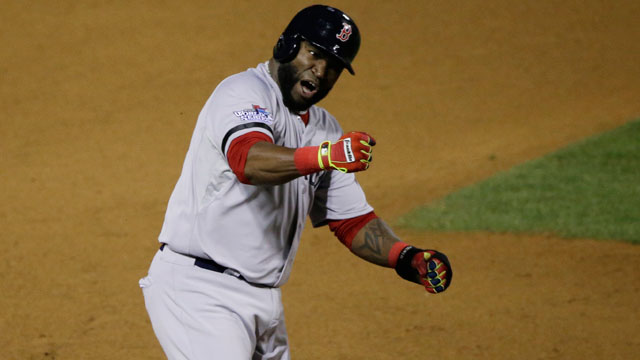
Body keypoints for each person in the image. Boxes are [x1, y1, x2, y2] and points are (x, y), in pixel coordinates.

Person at [139, 4, 452, 360]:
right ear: (287, 45)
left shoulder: (324, 128)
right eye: (315, 54)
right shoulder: (243, 92)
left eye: (334, 65)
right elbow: (248, 159)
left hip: (263, 301)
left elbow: (351, 221)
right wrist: (323, 157)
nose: (321, 71)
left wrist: (407, 258)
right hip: (201, 291)